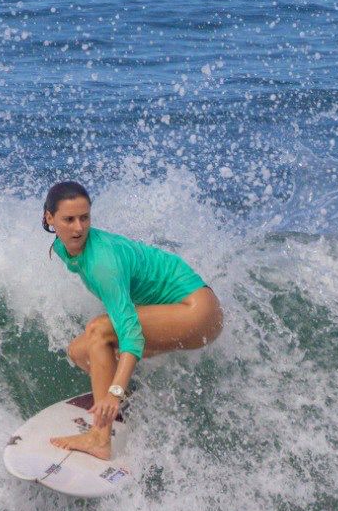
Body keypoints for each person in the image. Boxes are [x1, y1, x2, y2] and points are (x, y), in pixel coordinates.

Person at [42, 181, 222, 460]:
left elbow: (132, 335)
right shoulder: (65, 247)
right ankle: (121, 403)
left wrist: (112, 391)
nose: (78, 228)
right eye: (69, 219)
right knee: (80, 351)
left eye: (84, 218)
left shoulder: (103, 263)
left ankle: (100, 437)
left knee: (99, 330)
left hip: (196, 310)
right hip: (179, 309)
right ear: (49, 218)